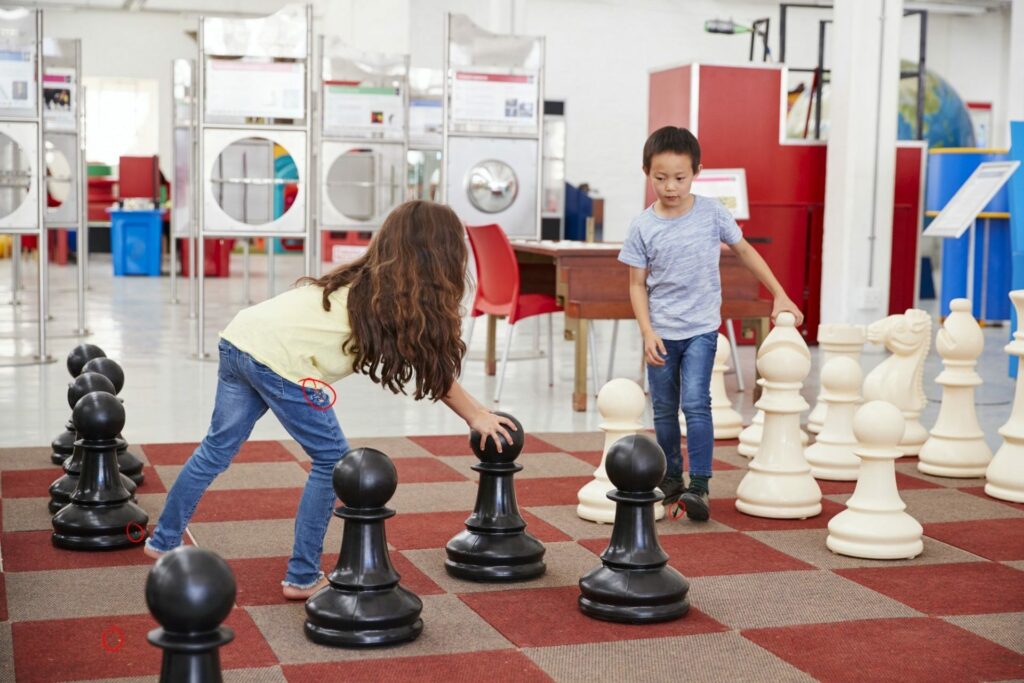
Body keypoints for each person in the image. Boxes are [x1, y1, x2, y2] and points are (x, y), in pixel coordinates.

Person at [145, 200, 515, 599]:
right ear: (441, 257)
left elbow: (429, 370)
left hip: (240, 338)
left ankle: (163, 540)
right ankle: (301, 576)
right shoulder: (394, 303)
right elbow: (435, 375)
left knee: (216, 448)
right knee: (331, 461)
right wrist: (476, 415)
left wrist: (477, 412)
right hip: (281, 362)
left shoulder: (365, 283)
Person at [619, 126, 803, 521]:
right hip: (662, 333)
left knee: (696, 404)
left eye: (680, 178)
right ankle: (671, 480)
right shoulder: (642, 226)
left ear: (697, 172)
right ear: (646, 171)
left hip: (702, 328)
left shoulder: (712, 212)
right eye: (660, 178)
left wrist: (780, 293)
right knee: (665, 410)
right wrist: (647, 331)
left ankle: (699, 485)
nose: (670, 187)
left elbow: (746, 251)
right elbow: (636, 285)